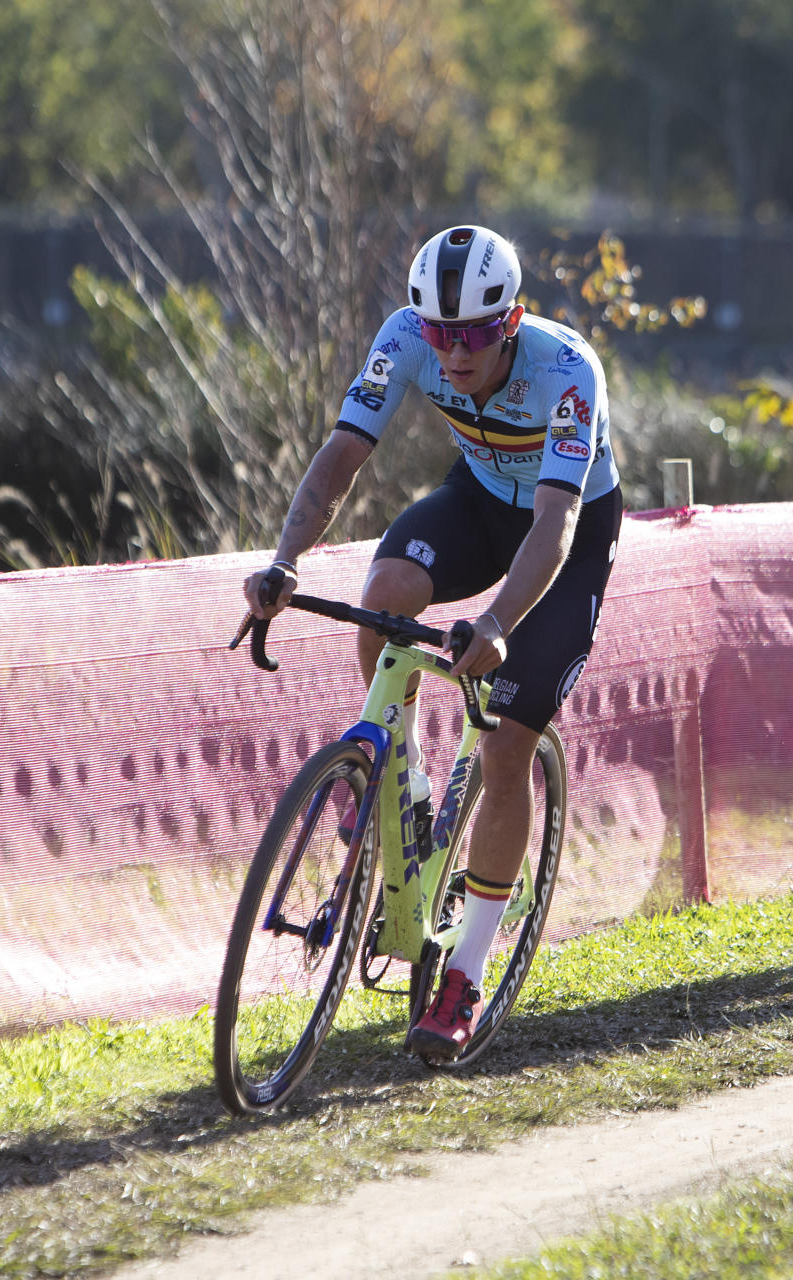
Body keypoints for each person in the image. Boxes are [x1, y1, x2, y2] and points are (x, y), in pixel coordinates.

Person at [243, 224, 620, 1061]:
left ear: (511, 322)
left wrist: (495, 625)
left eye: (473, 337)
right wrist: (283, 560)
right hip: (482, 501)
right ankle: (399, 791)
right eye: (439, 334)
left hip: (568, 527)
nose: (452, 355)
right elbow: (342, 455)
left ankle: (468, 973)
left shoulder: (568, 373)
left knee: (508, 745)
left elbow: (556, 528)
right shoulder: (407, 335)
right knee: (386, 596)